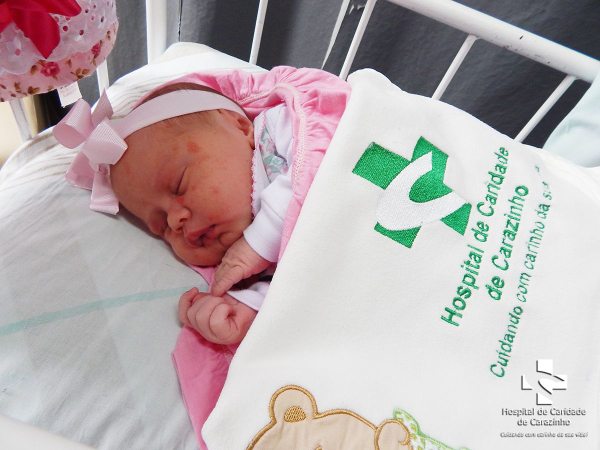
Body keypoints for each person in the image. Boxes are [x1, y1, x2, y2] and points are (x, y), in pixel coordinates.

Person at [53, 67, 351, 345]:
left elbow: (331, 161)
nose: (176, 221)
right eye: (161, 228)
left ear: (238, 126)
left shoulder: (281, 130)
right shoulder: (246, 272)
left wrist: (257, 245)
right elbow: (305, 291)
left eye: (179, 185)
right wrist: (246, 307)